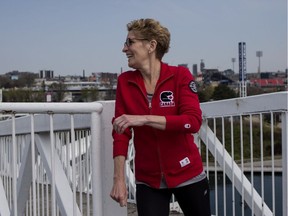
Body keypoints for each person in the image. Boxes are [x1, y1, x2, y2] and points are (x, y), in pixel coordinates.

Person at [110, 18, 211, 216]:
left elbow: (193, 121)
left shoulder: (180, 75)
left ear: (151, 45)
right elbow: (121, 133)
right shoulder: (124, 81)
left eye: (130, 42)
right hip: (149, 179)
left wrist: (145, 118)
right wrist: (119, 180)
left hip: (187, 172)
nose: (124, 48)